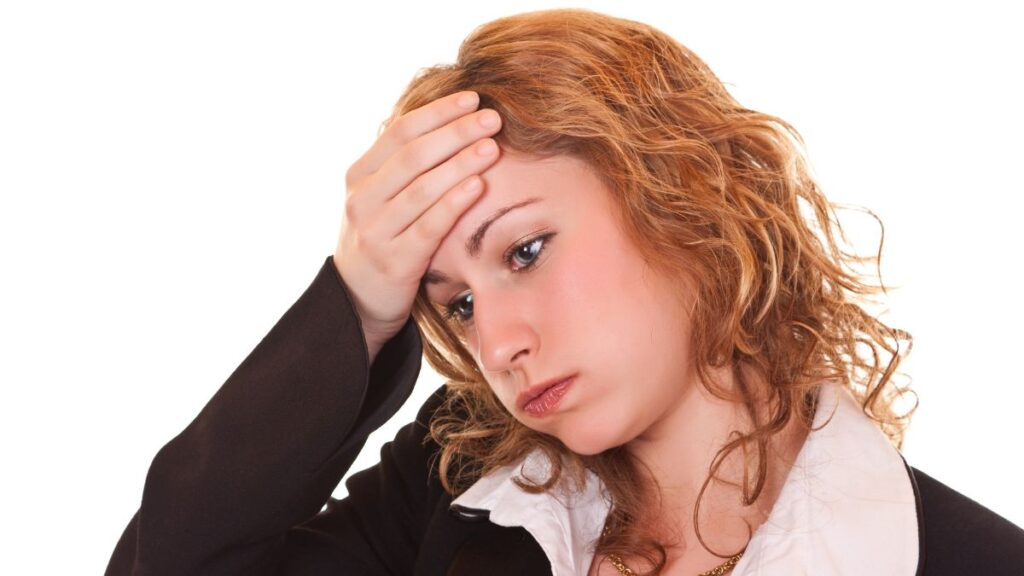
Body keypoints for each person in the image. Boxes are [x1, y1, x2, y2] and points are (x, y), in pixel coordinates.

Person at [104, 7, 1024, 576]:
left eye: (525, 250)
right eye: (454, 301)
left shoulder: (965, 560)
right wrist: (361, 300)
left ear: (687, 194)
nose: (494, 340)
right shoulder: (455, 487)